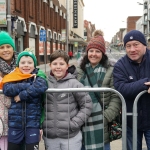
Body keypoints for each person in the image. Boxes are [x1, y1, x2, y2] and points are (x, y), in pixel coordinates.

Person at [77, 29, 121, 150]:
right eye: (91, 51)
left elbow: (115, 96)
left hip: (102, 123)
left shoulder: (111, 70)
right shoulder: (79, 70)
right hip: (82, 122)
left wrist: (106, 117)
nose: (94, 54)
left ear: (103, 53)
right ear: (87, 52)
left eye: (97, 51)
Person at [42, 50, 92, 150]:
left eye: (61, 64)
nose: (58, 67)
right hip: (50, 136)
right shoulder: (44, 83)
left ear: (67, 66)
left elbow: (87, 104)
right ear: (50, 65)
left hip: (71, 136)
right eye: (55, 64)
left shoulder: (74, 84)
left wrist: (75, 123)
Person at [2, 49, 48, 150]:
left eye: (29, 62)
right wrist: (28, 85)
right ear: (18, 64)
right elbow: (7, 88)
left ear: (34, 65)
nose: (26, 65)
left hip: (33, 124)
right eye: (23, 62)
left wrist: (22, 95)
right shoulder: (13, 76)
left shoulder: (38, 76)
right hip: (15, 124)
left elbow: (41, 86)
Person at [113, 30, 150, 150]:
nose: (132, 49)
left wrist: (134, 85)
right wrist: (145, 84)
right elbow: (122, 88)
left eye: (136, 44)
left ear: (144, 45)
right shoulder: (120, 65)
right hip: (131, 122)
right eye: (128, 46)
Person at [0, 31, 18, 150]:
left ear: (13, 48)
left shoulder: (22, 64)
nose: (5, 50)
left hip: (17, 114)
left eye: (8, 46)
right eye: (1, 47)